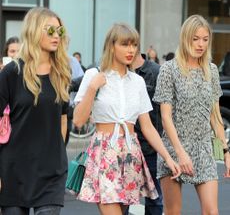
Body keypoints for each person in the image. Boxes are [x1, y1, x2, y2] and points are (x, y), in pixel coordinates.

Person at [73, 23, 181, 215]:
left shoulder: (137, 82)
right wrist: (92, 88)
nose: (131, 50)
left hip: (131, 152)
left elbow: (147, 127)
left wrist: (168, 157)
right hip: (104, 151)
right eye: (125, 44)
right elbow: (79, 121)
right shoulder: (94, 74)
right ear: (111, 46)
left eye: (134, 45)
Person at [153, 14, 230, 215]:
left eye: (205, 39)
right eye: (195, 39)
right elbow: (165, 116)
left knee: (212, 212)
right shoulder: (169, 69)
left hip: (203, 149)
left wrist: (225, 151)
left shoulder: (211, 70)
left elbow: (215, 116)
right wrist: (180, 153)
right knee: (173, 212)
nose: (200, 44)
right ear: (185, 38)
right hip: (174, 149)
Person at [0, 7, 71, 215]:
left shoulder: (61, 74)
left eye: (60, 31)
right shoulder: (12, 73)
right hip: (14, 170)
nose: (56, 36)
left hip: (51, 173)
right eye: (50, 30)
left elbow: (63, 118)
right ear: (33, 31)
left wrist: (57, 154)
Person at [125, 52, 163, 215]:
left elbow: (165, 110)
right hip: (125, 146)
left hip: (150, 146)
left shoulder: (155, 71)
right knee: (122, 198)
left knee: (154, 198)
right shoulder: (118, 72)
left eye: (131, 44)